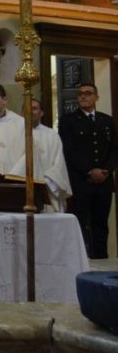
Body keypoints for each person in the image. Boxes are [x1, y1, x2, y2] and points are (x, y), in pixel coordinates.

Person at [59, 83, 118, 259]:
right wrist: (89, 171)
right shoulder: (68, 120)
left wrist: (106, 171)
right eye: (80, 94)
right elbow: (68, 150)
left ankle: (101, 259)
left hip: (104, 183)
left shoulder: (106, 120)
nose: (83, 97)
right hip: (81, 182)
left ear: (96, 97)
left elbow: (114, 149)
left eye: (88, 93)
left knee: (101, 224)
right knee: (82, 223)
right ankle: (83, 260)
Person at [7, 98, 72, 212]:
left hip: (47, 188)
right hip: (21, 188)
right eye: (26, 109)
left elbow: (58, 164)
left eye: (34, 108)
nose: (30, 111)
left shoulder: (51, 135)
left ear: (42, 113)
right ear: (21, 113)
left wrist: (44, 182)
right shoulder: (13, 135)